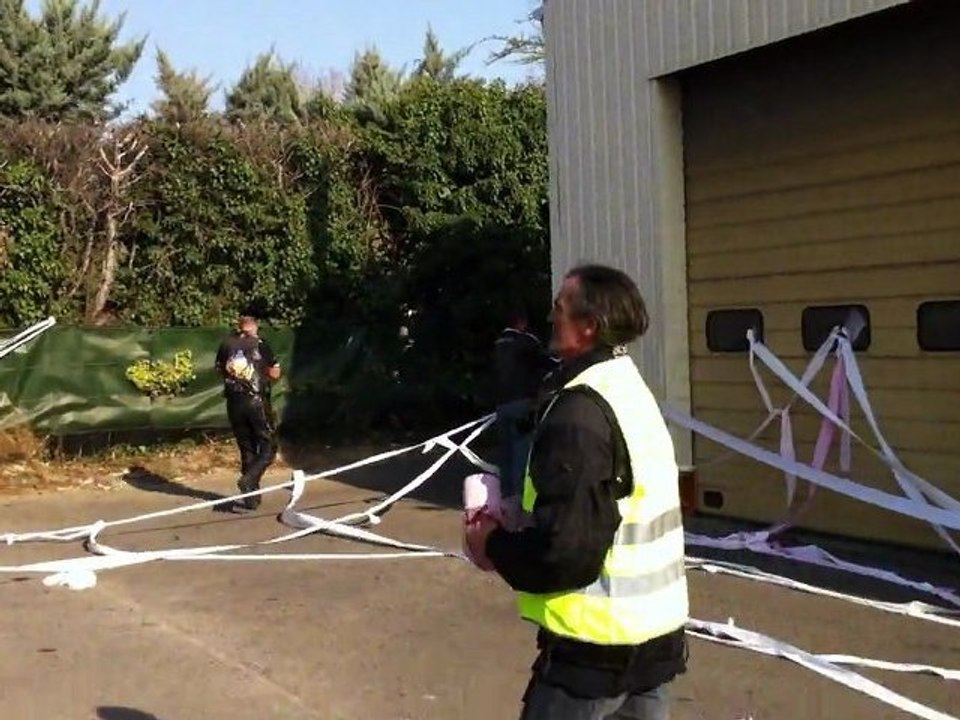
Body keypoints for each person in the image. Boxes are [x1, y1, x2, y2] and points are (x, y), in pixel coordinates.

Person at [466, 265, 689, 720]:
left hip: (593, 657)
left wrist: (489, 540)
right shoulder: (627, 387)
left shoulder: (579, 412)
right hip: (654, 638)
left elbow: (564, 555)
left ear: (589, 326)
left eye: (560, 307)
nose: (552, 316)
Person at [492, 304, 557, 523]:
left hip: (502, 405)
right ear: (522, 322)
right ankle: (521, 509)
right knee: (522, 454)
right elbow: (549, 363)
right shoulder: (527, 342)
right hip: (523, 405)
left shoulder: (498, 344)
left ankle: (505, 504)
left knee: (506, 456)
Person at [215, 314, 282, 510]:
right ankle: (250, 480)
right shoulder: (260, 344)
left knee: (246, 447)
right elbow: (275, 373)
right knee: (269, 447)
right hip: (256, 401)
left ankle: (251, 498)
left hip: (233, 402)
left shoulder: (226, 344)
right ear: (254, 327)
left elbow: (219, 369)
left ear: (239, 327)